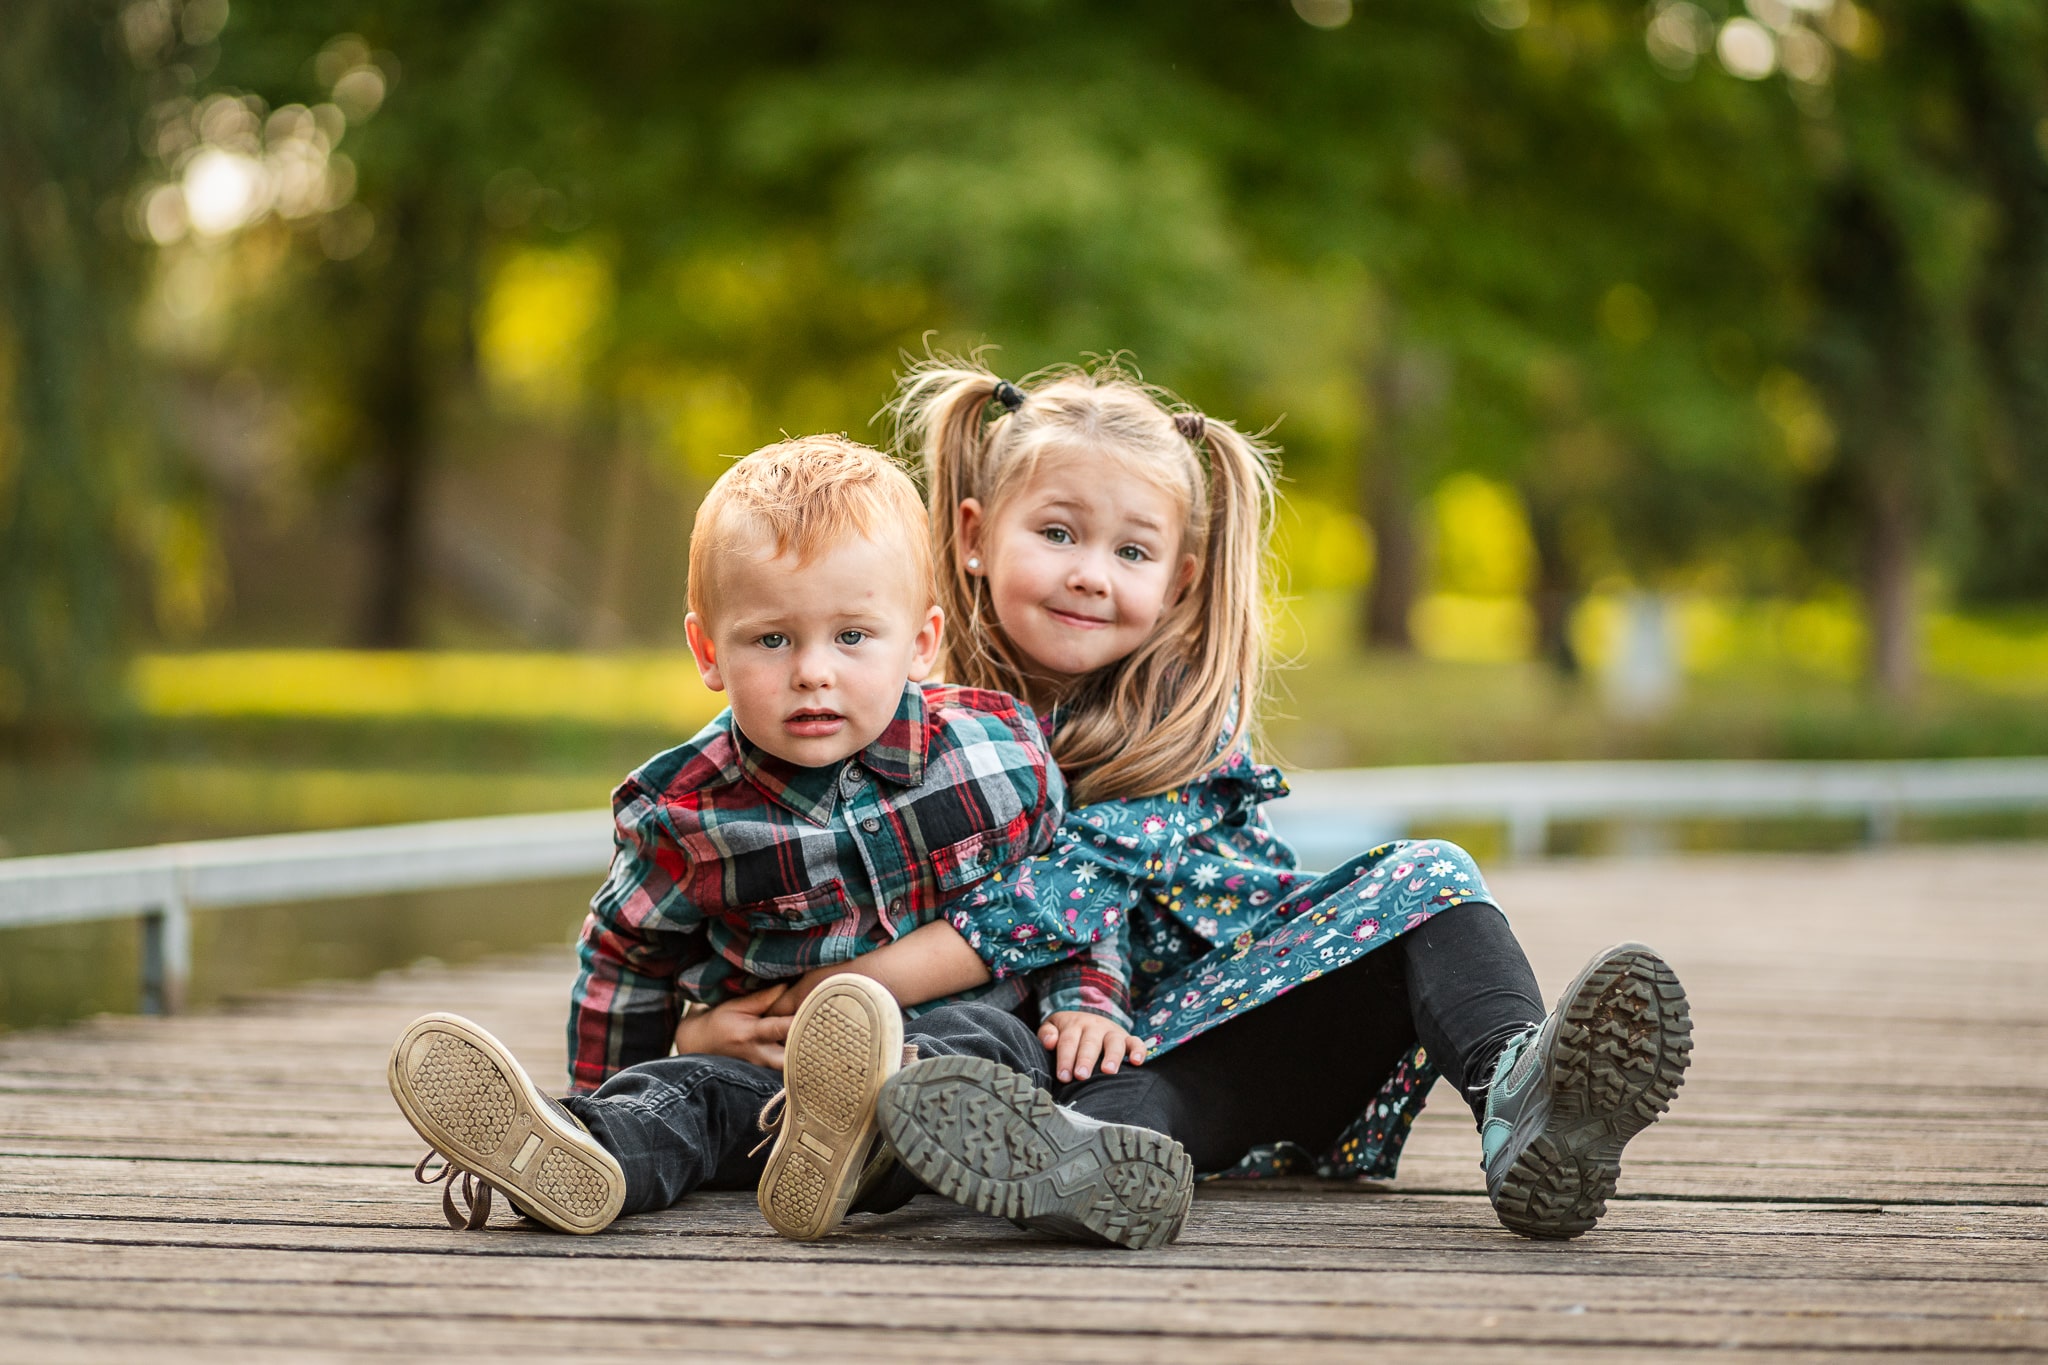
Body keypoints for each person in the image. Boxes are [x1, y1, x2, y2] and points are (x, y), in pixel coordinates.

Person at [871, 360, 1695, 1242]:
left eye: (1133, 551)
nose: (1091, 574)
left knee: (1435, 872)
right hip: (1092, 1060)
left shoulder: (1179, 710)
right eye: (1058, 533)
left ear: (1180, 582)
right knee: (1120, 1098)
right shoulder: (909, 710)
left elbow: (1062, 899)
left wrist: (836, 991)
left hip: (1264, 1014)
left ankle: (1522, 1093)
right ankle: (1077, 1170)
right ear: (972, 533)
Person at [384, 434, 1194, 1245]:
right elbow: (626, 959)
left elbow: (1065, 902)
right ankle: (582, 1148)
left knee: (978, 1042)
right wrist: (609, 1084)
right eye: (773, 639)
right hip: (770, 1086)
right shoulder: (684, 813)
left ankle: (882, 1137)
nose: (813, 671)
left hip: (959, 1067)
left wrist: (1087, 1003)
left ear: (919, 642)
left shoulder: (995, 755)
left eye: (852, 637)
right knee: (686, 1096)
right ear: (708, 651)